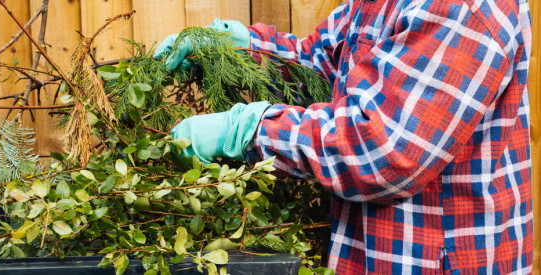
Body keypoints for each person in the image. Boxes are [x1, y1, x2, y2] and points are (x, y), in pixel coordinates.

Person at [154, 0, 533, 274]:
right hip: (365, 252)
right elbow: (325, 68)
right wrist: (237, 50)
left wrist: (248, 131)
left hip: (434, 257)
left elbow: (381, 151)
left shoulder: (465, 6)